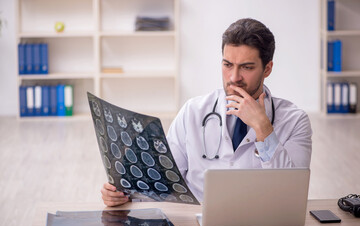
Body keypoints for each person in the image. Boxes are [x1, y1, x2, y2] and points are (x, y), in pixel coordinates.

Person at [101, 18, 312, 206]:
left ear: (267, 69)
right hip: (198, 225)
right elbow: (163, 181)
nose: (234, 77)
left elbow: (290, 196)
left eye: (246, 67)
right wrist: (125, 194)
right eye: (228, 64)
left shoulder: (295, 121)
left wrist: (263, 128)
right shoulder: (193, 111)